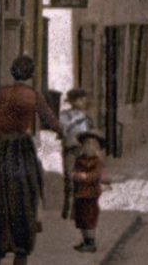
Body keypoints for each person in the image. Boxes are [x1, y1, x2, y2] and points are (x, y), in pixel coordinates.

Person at [0, 55, 58, 265]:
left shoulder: (0, 92)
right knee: (25, 195)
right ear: (31, 74)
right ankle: (20, 250)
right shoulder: (33, 95)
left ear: (13, 72)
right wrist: (66, 134)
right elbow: (50, 120)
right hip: (21, 149)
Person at [56, 90, 91, 222]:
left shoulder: (86, 117)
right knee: (70, 181)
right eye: (81, 100)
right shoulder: (64, 115)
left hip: (83, 150)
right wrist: (77, 119)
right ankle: (68, 211)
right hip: (70, 150)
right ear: (73, 101)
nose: (83, 102)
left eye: (84, 99)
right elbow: (63, 130)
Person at [69, 132, 105, 253]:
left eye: (92, 144)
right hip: (80, 194)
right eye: (86, 144)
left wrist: (84, 176)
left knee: (89, 218)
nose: (89, 146)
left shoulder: (97, 161)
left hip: (91, 194)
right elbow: (73, 173)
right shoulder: (79, 160)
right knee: (81, 218)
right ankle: (86, 240)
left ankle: (91, 242)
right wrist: (77, 176)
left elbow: (95, 175)